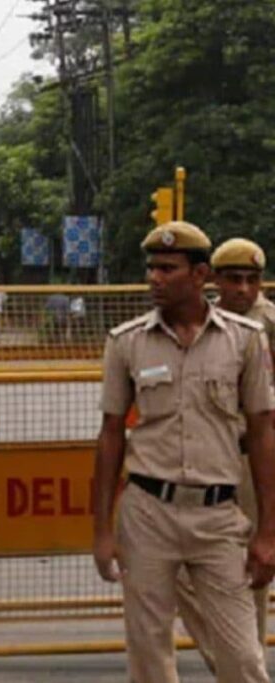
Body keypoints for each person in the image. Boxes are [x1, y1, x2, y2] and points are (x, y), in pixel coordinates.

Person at [93, 221, 275, 683]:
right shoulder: (126, 342)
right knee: (150, 659)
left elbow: (261, 432)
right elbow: (111, 435)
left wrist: (268, 532)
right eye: (152, 267)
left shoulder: (245, 339)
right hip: (147, 514)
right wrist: (101, 531)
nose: (155, 277)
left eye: (167, 268)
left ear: (199, 276)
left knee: (244, 660)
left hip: (218, 517)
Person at [175, 237, 275, 670]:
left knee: (250, 574)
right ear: (213, 280)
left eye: (252, 280)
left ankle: (244, 667)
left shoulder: (268, 324)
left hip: (251, 462)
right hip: (204, 463)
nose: (244, 290)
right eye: (234, 279)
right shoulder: (200, 323)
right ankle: (233, 663)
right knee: (175, 570)